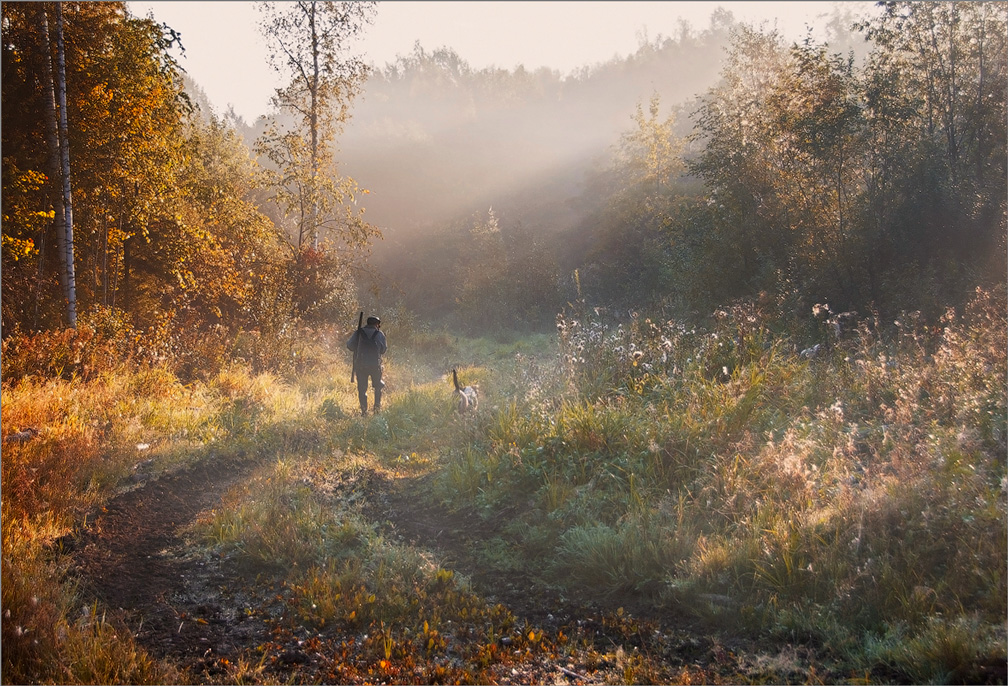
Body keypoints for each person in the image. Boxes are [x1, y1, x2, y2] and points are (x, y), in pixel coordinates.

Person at [347, 315, 387, 416]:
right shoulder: (379, 334)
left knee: (362, 388)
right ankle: (377, 409)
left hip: (361, 365)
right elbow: (383, 350)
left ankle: (364, 412)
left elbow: (350, 346)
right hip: (375, 366)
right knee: (378, 386)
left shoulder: (359, 332)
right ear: (377, 324)